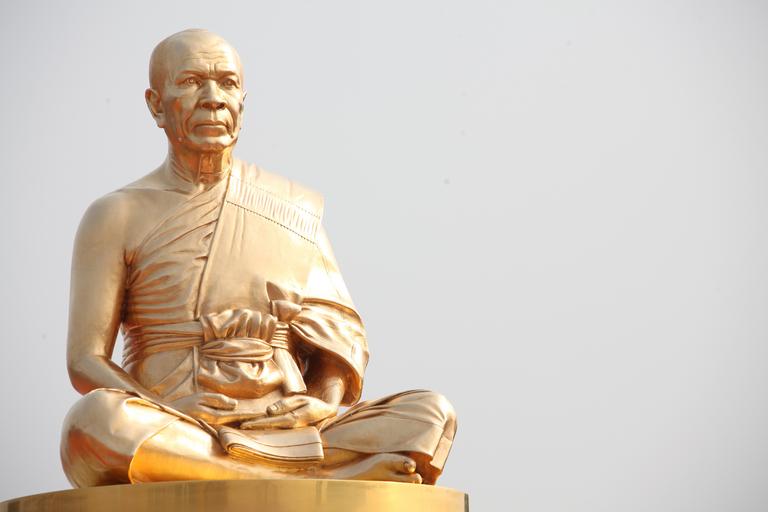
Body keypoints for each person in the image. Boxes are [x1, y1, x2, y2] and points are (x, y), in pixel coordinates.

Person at [60, 29, 456, 488]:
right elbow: (85, 359)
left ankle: (282, 466)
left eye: (227, 83)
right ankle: (311, 476)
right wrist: (166, 408)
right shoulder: (117, 214)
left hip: (283, 420)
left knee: (432, 414)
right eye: (191, 82)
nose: (213, 98)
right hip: (181, 421)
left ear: (242, 103)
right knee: (94, 422)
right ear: (156, 104)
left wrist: (323, 402)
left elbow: (338, 334)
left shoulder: (291, 207)